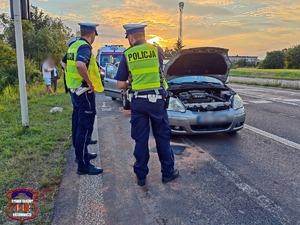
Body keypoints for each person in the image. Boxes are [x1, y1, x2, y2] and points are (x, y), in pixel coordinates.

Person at [115, 24, 179, 186]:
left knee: (141, 139)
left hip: (139, 102)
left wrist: (132, 80)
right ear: (143, 35)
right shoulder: (156, 50)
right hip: (157, 100)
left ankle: (141, 176)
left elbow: (120, 84)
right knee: (162, 137)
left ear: (130, 37)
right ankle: (167, 173)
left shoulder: (127, 54)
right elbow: (159, 71)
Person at [63, 22, 104, 175]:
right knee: (84, 128)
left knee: (78, 125)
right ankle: (83, 165)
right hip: (84, 93)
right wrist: (89, 82)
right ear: (92, 34)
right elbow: (80, 65)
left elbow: (65, 62)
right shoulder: (85, 47)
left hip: (75, 92)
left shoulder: (73, 46)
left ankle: (82, 155)